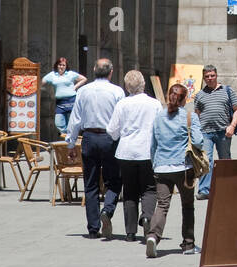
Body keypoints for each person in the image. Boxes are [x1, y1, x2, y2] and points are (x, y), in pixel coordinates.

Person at [66, 58, 125, 240]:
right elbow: (121, 119)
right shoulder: (117, 92)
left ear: (93, 70)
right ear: (111, 72)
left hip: (89, 138)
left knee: (90, 183)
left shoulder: (83, 91)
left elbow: (75, 119)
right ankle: (107, 209)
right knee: (113, 180)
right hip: (109, 139)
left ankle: (93, 228)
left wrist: (70, 143)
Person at [147, 83, 204, 257]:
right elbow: (199, 141)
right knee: (187, 205)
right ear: (184, 99)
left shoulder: (158, 117)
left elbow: (153, 145)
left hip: (162, 167)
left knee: (162, 204)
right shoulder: (189, 117)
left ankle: (153, 236)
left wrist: (154, 164)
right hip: (183, 167)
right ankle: (188, 244)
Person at [106, 71, 159, 241]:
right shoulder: (154, 104)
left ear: (127, 86)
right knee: (149, 188)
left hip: (126, 151)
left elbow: (112, 130)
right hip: (146, 150)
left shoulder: (122, 104)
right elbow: (159, 128)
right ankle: (147, 217)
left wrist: (120, 136)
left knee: (129, 190)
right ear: (143, 84)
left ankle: (130, 232)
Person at [192, 66, 237, 201]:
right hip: (205, 133)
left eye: (212, 75)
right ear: (203, 78)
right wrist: (195, 132)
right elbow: (197, 115)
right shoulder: (200, 95)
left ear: (216, 75)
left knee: (225, 160)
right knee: (205, 161)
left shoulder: (227, 90)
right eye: (207, 76)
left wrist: (232, 126)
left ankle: (227, 187)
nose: (210, 78)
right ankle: (204, 190)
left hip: (223, 132)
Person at [42, 57, 87, 137]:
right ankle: (66, 138)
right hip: (60, 102)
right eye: (60, 65)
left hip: (71, 101)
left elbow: (84, 79)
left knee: (72, 123)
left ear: (66, 66)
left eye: (63, 65)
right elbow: (42, 81)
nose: (61, 67)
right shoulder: (52, 75)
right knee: (58, 122)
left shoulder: (70, 74)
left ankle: (72, 140)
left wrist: (75, 87)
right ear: (57, 65)